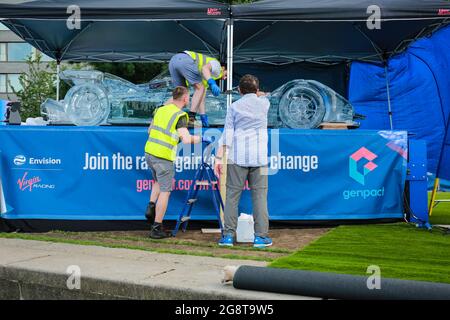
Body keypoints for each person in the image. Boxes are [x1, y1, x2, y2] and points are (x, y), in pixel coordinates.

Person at [144, 86, 211, 239]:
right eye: (189, 97)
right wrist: (201, 139)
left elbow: (149, 131)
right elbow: (186, 140)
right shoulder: (180, 115)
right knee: (165, 192)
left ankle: (151, 205)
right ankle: (157, 227)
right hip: (164, 156)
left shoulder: (160, 110)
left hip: (149, 152)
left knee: (157, 182)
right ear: (185, 98)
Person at [214, 74, 272, 248]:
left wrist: (218, 157)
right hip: (259, 157)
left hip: (237, 156)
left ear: (239, 90)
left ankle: (228, 236)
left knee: (232, 196)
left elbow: (228, 134)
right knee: (260, 197)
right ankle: (261, 237)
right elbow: (262, 96)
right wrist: (257, 93)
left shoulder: (234, 106)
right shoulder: (264, 104)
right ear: (256, 89)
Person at [168, 50, 227, 127]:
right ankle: (191, 118)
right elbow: (204, 69)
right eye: (227, 74)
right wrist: (212, 82)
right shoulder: (217, 65)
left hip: (173, 61)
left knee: (180, 94)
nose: (225, 78)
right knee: (199, 88)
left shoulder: (206, 77)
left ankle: (160, 110)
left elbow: (200, 97)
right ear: (224, 68)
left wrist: (203, 114)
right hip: (185, 59)